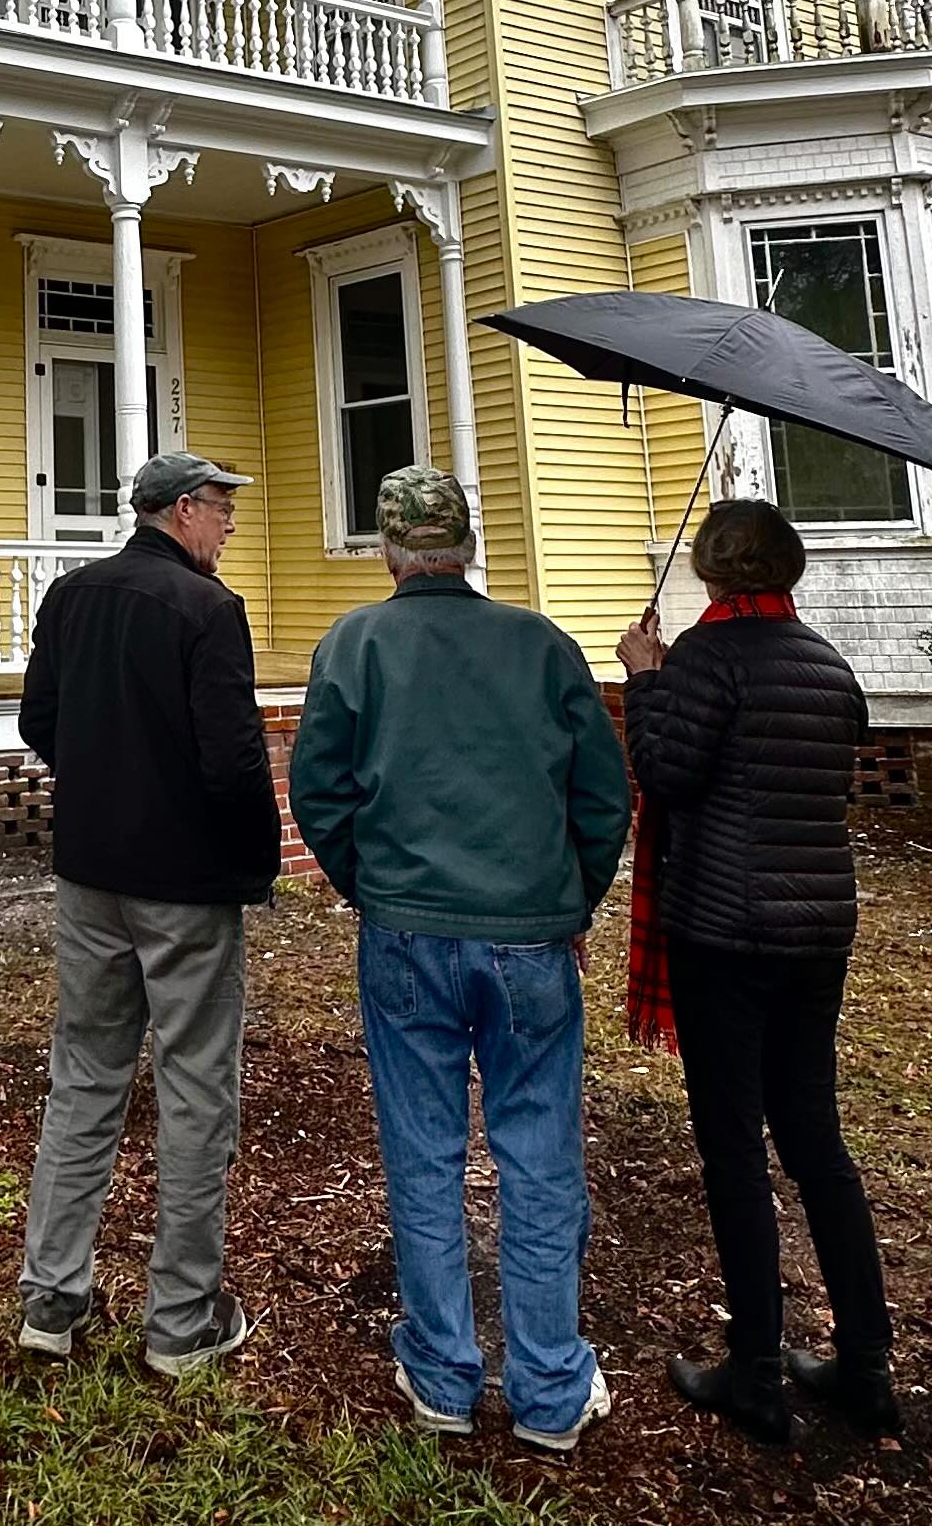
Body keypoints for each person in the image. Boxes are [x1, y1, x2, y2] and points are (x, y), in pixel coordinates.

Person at [289, 467, 631, 1454]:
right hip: (530, 938)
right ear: (466, 546)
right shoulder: (543, 647)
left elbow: (320, 791)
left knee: (424, 1148)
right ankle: (552, 1389)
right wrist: (571, 899)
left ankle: (443, 1377)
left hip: (404, 935)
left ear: (390, 549)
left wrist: (373, 888)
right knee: (538, 1151)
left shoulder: (354, 645)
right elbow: (603, 799)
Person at [617, 496, 897, 1445]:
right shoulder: (830, 665)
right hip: (819, 930)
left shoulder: (706, 658)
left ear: (714, 571)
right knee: (815, 1138)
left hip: (723, 933)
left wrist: (645, 678)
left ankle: (758, 1374)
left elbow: (668, 773)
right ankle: (864, 1367)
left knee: (734, 1146)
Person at [16, 450, 281, 1377]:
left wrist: (102, 784)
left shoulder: (72, 596)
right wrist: (254, 862)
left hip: (90, 875)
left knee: (85, 1076)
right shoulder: (209, 612)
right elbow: (234, 761)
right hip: (185, 886)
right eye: (220, 507)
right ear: (176, 512)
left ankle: (50, 1300)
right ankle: (182, 1320)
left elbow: (38, 723)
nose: (231, 524)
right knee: (196, 1088)